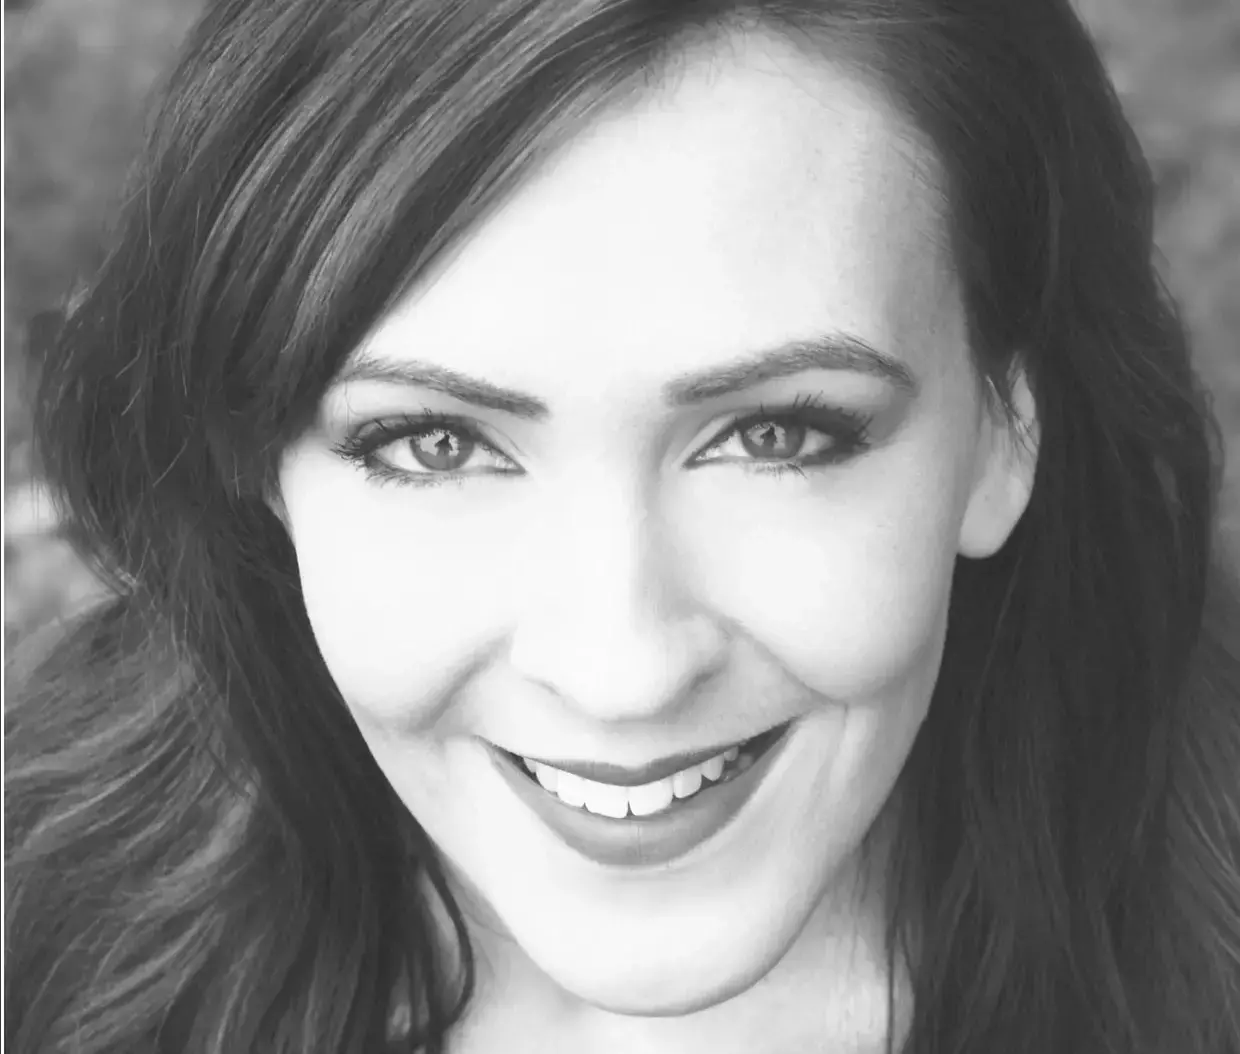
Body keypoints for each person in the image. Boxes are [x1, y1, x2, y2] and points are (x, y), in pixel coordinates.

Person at [6, 0, 1240, 1051]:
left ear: (1003, 430)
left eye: (776, 435)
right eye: (436, 444)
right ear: (258, 466)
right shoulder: (37, 901)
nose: (621, 672)